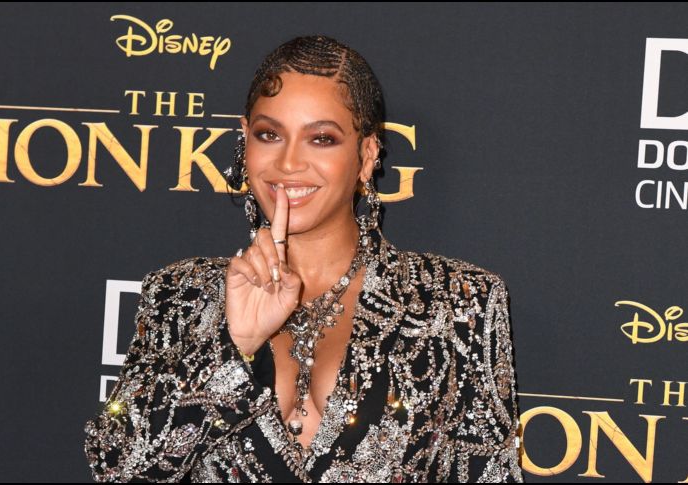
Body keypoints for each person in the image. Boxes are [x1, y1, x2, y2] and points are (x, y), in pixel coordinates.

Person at [83, 34, 524, 483]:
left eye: (321, 138)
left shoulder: (456, 303)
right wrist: (232, 347)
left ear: (367, 154)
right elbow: (117, 469)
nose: (289, 162)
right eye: (269, 134)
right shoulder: (180, 296)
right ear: (245, 139)